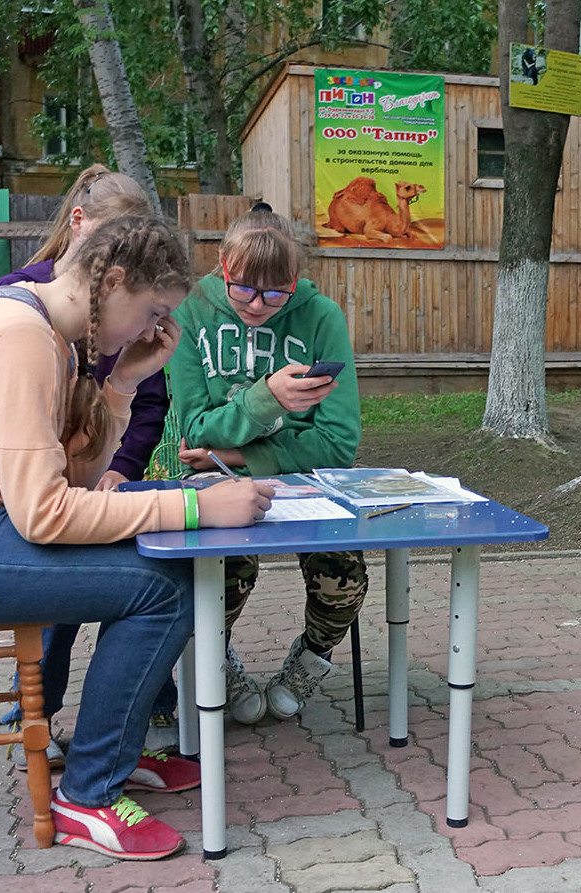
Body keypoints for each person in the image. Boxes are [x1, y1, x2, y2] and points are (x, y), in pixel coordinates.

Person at [0, 215, 273, 860]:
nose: (153, 330)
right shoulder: (19, 336)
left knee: (160, 555)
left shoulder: (47, 331)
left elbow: (75, 483)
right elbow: (45, 516)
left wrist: (122, 385)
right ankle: (88, 796)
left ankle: (111, 752)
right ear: (113, 281)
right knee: (163, 587)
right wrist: (194, 508)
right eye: (151, 311)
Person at [0, 165, 181, 760]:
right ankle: (37, 717)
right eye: (112, 237)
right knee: (74, 571)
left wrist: (117, 471)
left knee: (149, 565)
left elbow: (147, 406)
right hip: (25, 493)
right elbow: (38, 493)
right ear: (79, 225)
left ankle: (148, 710)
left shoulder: (128, 316)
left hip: (99, 476)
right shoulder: (21, 312)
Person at [167, 203, 367, 724]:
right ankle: (217, 654)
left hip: (302, 481)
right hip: (218, 482)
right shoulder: (191, 314)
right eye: (244, 290)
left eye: (277, 292)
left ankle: (312, 659)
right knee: (225, 569)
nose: (258, 305)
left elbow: (339, 443)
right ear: (223, 268)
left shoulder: (321, 317)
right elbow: (194, 431)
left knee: (343, 573)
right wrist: (268, 399)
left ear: (296, 280)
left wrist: (237, 452)